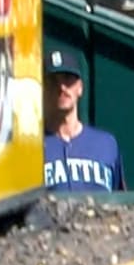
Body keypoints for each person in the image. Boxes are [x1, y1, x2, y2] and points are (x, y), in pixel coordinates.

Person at [43, 48, 125, 192]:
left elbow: (120, 202)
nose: (62, 87)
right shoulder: (31, 150)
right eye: (53, 80)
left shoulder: (106, 144)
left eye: (68, 79)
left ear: (80, 87)